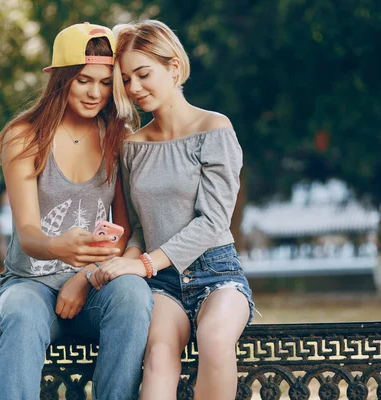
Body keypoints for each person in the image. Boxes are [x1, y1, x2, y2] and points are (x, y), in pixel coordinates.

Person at [90, 20, 255, 400]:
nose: (133, 88)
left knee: (215, 337)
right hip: (162, 285)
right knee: (159, 354)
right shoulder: (131, 146)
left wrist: (143, 264)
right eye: (126, 79)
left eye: (143, 74)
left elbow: (214, 222)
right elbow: (137, 227)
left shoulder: (215, 129)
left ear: (174, 67)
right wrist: (123, 262)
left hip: (217, 272)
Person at [0, 22, 153, 400]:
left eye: (105, 81)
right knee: (21, 312)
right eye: (83, 80)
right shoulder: (25, 136)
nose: (96, 92)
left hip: (95, 288)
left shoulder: (118, 134)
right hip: (31, 285)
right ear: (61, 79)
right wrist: (59, 247)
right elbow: (29, 232)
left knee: (132, 293)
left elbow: (125, 232)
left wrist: (87, 276)